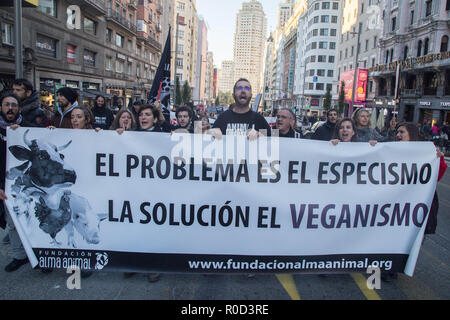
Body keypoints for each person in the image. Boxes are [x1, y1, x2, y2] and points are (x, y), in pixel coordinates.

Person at [0, 92, 28, 272]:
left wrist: (50, 131)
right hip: (5, 185)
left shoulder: (28, 127)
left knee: (31, 219)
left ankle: (40, 255)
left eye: (14, 105)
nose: (10, 109)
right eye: (6, 105)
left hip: (27, 183)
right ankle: (19, 256)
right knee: (13, 223)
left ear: (18, 108)